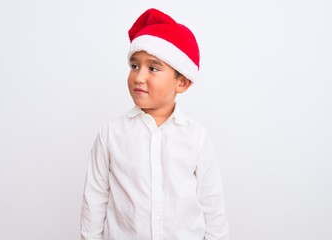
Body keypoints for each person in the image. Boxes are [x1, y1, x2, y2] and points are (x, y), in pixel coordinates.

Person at [81, 8, 229, 240]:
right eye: (134, 66)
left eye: (153, 68)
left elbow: (212, 205)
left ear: (182, 83)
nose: (139, 77)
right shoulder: (111, 134)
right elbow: (94, 200)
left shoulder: (196, 137)